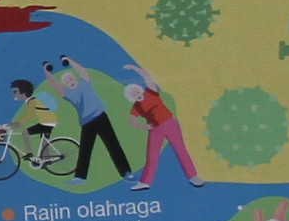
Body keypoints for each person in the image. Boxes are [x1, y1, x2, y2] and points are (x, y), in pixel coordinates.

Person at [50, 56, 133, 185]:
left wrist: (69, 60)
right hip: (87, 122)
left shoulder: (85, 83)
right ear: (66, 84)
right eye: (67, 81)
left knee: (113, 145)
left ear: (75, 78)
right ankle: (80, 177)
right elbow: (55, 87)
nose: (70, 81)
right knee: (85, 149)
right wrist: (48, 72)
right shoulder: (69, 94)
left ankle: (126, 173)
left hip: (101, 117)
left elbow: (82, 71)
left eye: (71, 78)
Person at [123, 63, 203, 188]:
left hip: (170, 123)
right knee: (152, 155)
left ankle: (193, 177)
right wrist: (145, 127)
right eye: (133, 94)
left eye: (137, 91)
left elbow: (147, 76)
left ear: (140, 89)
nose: (137, 94)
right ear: (131, 98)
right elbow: (131, 121)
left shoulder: (151, 92)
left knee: (180, 149)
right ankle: (145, 182)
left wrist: (134, 68)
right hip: (155, 129)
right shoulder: (136, 107)